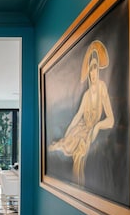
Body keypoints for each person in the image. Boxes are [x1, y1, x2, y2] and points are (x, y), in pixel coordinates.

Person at [49, 40, 114, 185]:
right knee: (63, 144)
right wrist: (66, 134)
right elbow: (78, 115)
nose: (93, 73)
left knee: (80, 148)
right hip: (82, 128)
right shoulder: (86, 94)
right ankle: (76, 181)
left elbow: (111, 120)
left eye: (95, 68)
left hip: (91, 129)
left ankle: (78, 183)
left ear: (99, 70)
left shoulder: (103, 88)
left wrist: (97, 126)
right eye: (91, 69)